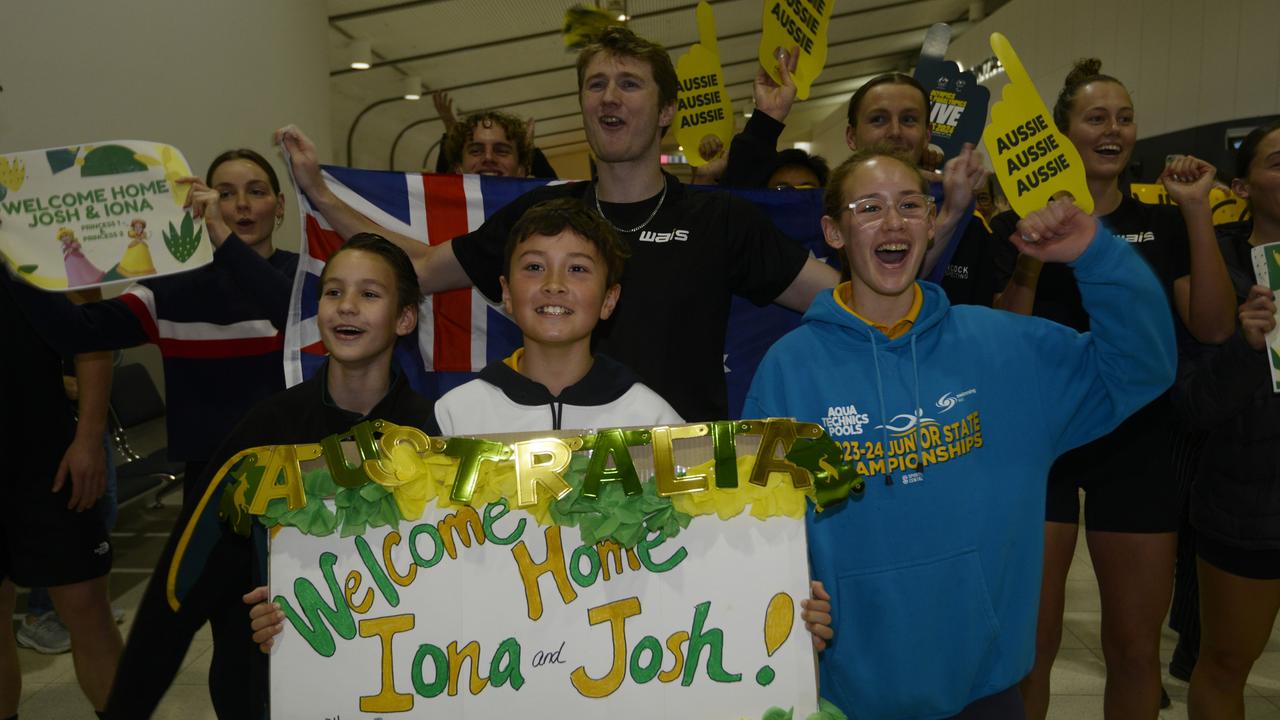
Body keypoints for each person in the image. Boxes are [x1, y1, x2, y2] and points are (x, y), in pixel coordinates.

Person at [744, 148, 1176, 719]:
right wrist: (787, 595)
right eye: (869, 207)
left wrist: (1096, 255)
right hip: (848, 692)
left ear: (931, 221)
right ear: (834, 231)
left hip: (986, 685)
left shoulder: (1005, 348)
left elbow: (1141, 367)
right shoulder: (790, 369)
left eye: (910, 205)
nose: (893, 222)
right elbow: (759, 523)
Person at [279, 26, 838, 423]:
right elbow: (416, 269)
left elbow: (843, 300)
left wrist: (926, 243)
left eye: (629, 83)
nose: (608, 97)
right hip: (556, 489)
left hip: (681, 486)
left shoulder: (720, 219)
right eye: (595, 85)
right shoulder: (543, 219)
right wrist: (320, 193)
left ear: (667, 110)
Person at [990, 59, 1238, 720]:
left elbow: (1214, 328)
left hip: (1138, 443)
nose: (1115, 129)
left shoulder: (1159, 226)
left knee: (1133, 650)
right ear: (1061, 133)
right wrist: (1029, 257)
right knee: (1031, 650)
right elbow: (1005, 339)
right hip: (1042, 444)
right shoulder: (1011, 228)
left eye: (1125, 118)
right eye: (1096, 117)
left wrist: (1196, 215)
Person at [106, 234, 434, 719]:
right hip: (273, 681)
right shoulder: (267, 430)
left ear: (405, 317)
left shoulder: (433, 434)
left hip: (403, 682)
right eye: (332, 292)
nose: (346, 307)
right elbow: (181, 584)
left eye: (369, 294)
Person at [0, 149, 300, 511]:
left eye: (256, 191)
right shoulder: (173, 287)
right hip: (208, 478)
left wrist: (223, 237)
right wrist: (14, 261)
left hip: (296, 471)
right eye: (224, 193)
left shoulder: (306, 279)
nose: (240, 205)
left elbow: (293, 312)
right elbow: (79, 332)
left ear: (279, 205)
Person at [1175, 120, 1280, 720]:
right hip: (1248, 508)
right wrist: (1247, 345)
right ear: (1241, 187)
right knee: (1224, 664)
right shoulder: (1214, 268)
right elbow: (1195, 408)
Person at [434, 197, 681, 433]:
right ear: (507, 292)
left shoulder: (653, 419)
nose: (554, 284)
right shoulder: (455, 417)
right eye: (534, 267)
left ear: (609, 299)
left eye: (577, 269)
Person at [0, 282, 123, 717]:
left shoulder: (32, 228)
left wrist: (89, 439)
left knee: (87, 610)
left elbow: (92, 334)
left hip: (47, 461)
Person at [431, 90, 558, 179]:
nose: (488, 157)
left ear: (521, 170)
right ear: (458, 168)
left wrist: (530, 152)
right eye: (475, 151)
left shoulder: (536, 214)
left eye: (502, 151)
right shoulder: (441, 212)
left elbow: (556, 195)